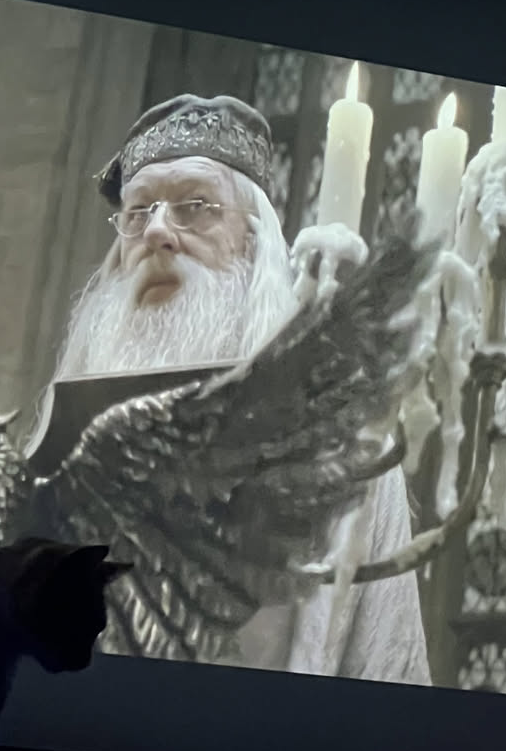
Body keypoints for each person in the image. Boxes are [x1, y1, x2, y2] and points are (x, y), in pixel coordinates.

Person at [53, 93, 431, 685]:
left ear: (252, 245)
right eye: (138, 212)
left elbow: (389, 663)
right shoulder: (50, 454)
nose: (158, 231)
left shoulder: (342, 446)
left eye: (195, 207)